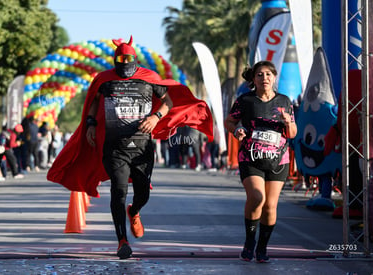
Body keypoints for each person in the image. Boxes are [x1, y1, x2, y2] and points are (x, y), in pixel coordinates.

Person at [47, 36, 214, 260]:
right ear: (115, 60)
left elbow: (168, 102)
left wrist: (155, 118)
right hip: (114, 147)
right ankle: (122, 241)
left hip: (142, 147)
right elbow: (94, 101)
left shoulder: (149, 78)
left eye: (128, 59)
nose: (124, 63)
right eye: (120, 59)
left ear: (135, 60)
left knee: (143, 192)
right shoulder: (104, 80)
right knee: (118, 190)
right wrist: (90, 123)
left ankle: (134, 211)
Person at [224, 61, 297, 263]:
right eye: (259, 75)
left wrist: (288, 121)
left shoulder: (284, 101)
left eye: (268, 74)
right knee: (257, 198)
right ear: (253, 79)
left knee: (270, 206)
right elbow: (229, 121)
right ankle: (249, 242)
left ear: (274, 78)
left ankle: (262, 248)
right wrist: (236, 130)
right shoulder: (245, 101)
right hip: (251, 158)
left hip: (278, 160)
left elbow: (291, 133)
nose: (264, 78)